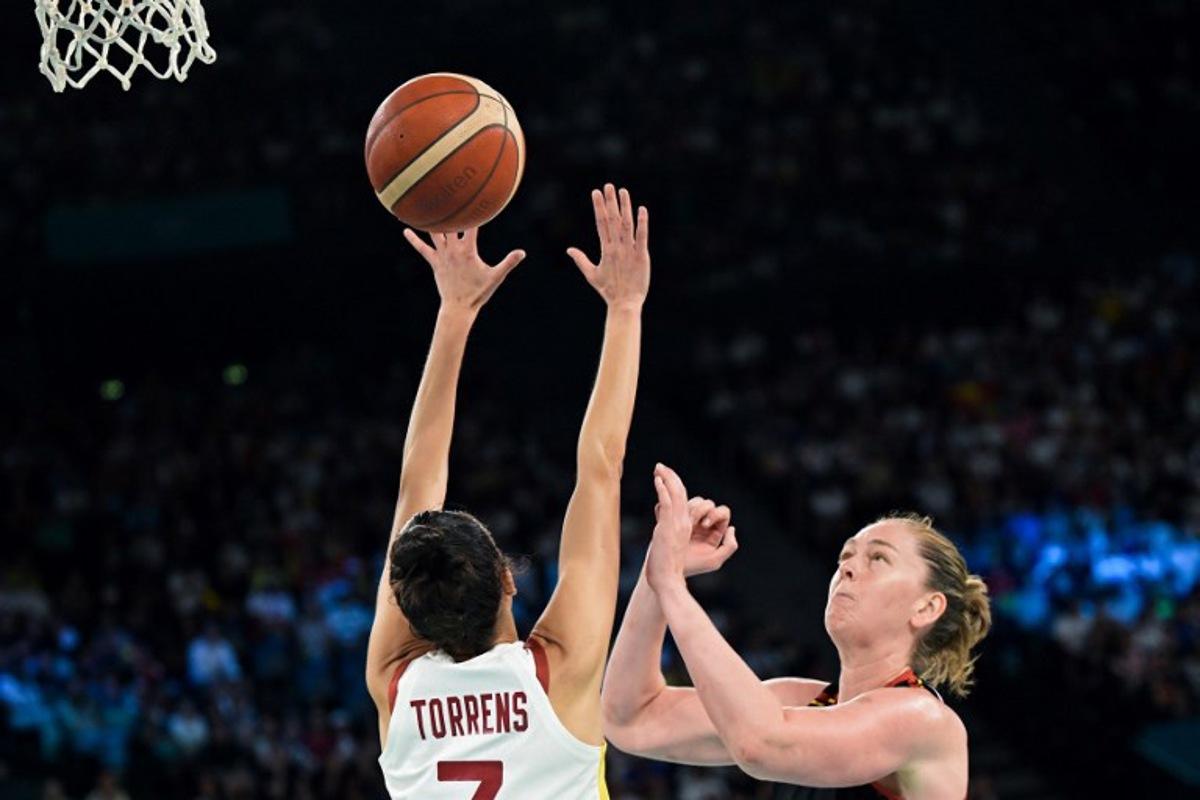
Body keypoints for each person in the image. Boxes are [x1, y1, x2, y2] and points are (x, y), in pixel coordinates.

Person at [365, 184, 650, 799]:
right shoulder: (555, 672)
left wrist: (454, 314)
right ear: (508, 579)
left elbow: (602, 466)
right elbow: (597, 466)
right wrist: (625, 306)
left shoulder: (396, 683)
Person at [602, 463, 990, 800]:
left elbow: (763, 744)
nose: (848, 569)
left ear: (926, 607)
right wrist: (661, 569)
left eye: (878, 558)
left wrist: (671, 586)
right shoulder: (797, 701)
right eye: (846, 556)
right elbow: (631, 717)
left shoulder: (923, 719)